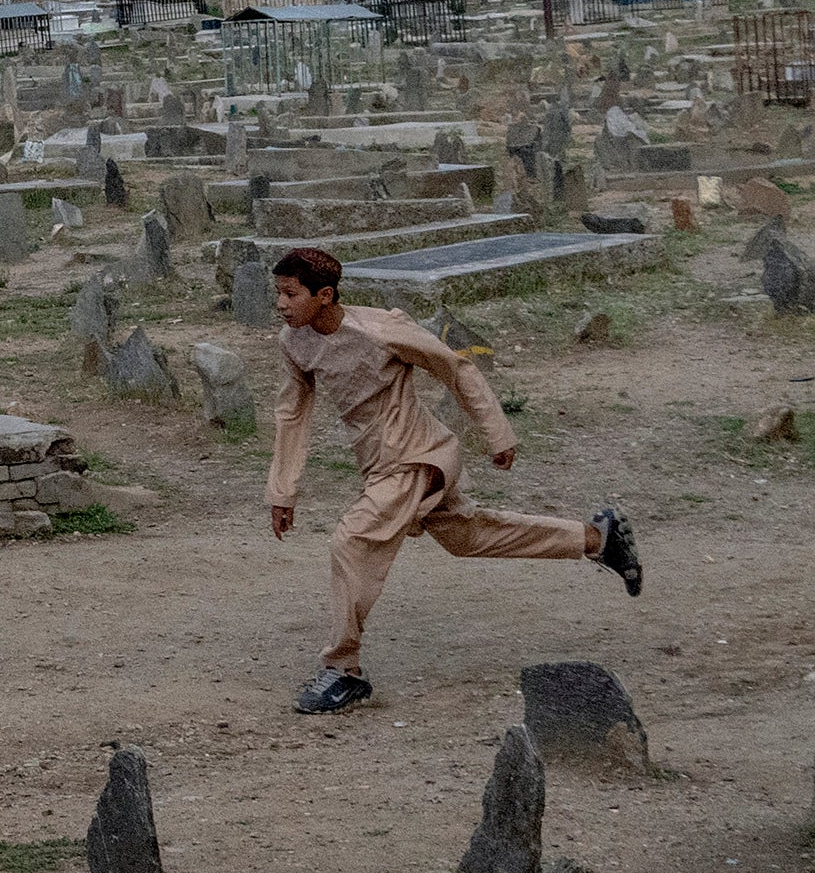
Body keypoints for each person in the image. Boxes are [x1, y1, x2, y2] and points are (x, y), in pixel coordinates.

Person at [262, 243, 642, 714]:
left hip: (415, 456)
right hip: (378, 464)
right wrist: (282, 491)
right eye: (277, 293)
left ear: (324, 295)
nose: (281, 304)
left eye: (291, 294)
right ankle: (597, 539)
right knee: (468, 535)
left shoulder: (381, 329)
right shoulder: (294, 342)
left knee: (352, 541)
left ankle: (343, 670)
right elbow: (292, 414)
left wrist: (496, 432)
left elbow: (456, 368)